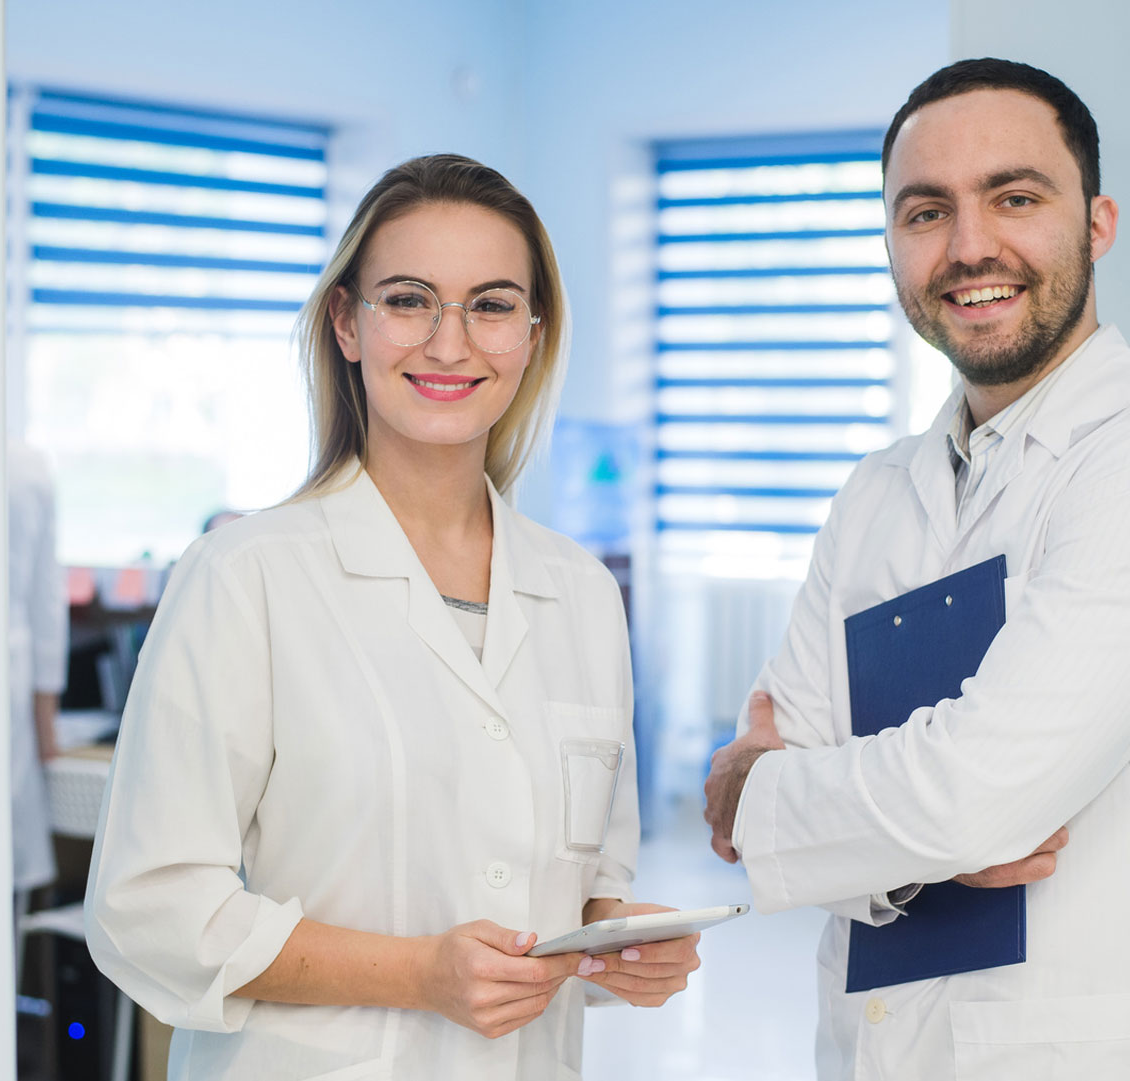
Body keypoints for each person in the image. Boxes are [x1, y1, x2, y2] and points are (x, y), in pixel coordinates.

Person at [703, 59, 1130, 1079]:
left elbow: (972, 800)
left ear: (1097, 224)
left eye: (1015, 197)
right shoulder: (875, 493)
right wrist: (881, 823)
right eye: (926, 212)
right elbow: (766, 766)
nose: (970, 247)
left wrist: (781, 799)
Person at [86, 154, 699, 1081]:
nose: (450, 344)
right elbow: (150, 907)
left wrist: (622, 944)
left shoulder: (578, 592)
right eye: (410, 299)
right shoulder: (244, 575)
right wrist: (419, 973)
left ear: (531, 336)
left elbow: (585, 890)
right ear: (347, 322)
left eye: (491, 305)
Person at [6, 440, 67, 901]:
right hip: (12, 680)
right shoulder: (25, 466)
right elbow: (46, 606)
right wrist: (49, 736)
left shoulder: (26, 468)